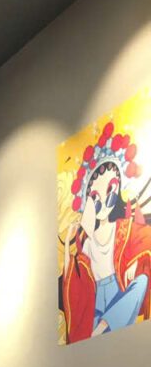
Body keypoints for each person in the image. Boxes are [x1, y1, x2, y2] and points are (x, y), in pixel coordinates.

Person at [62, 121, 151, 343]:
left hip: (119, 292)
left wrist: (135, 264)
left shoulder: (122, 227)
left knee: (141, 282)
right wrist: (68, 243)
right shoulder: (87, 242)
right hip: (96, 299)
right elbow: (72, 279)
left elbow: (144, 241)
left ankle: (103, 327)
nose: (103, 201)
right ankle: (101, 327)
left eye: (110, 190)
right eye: (95, 197)